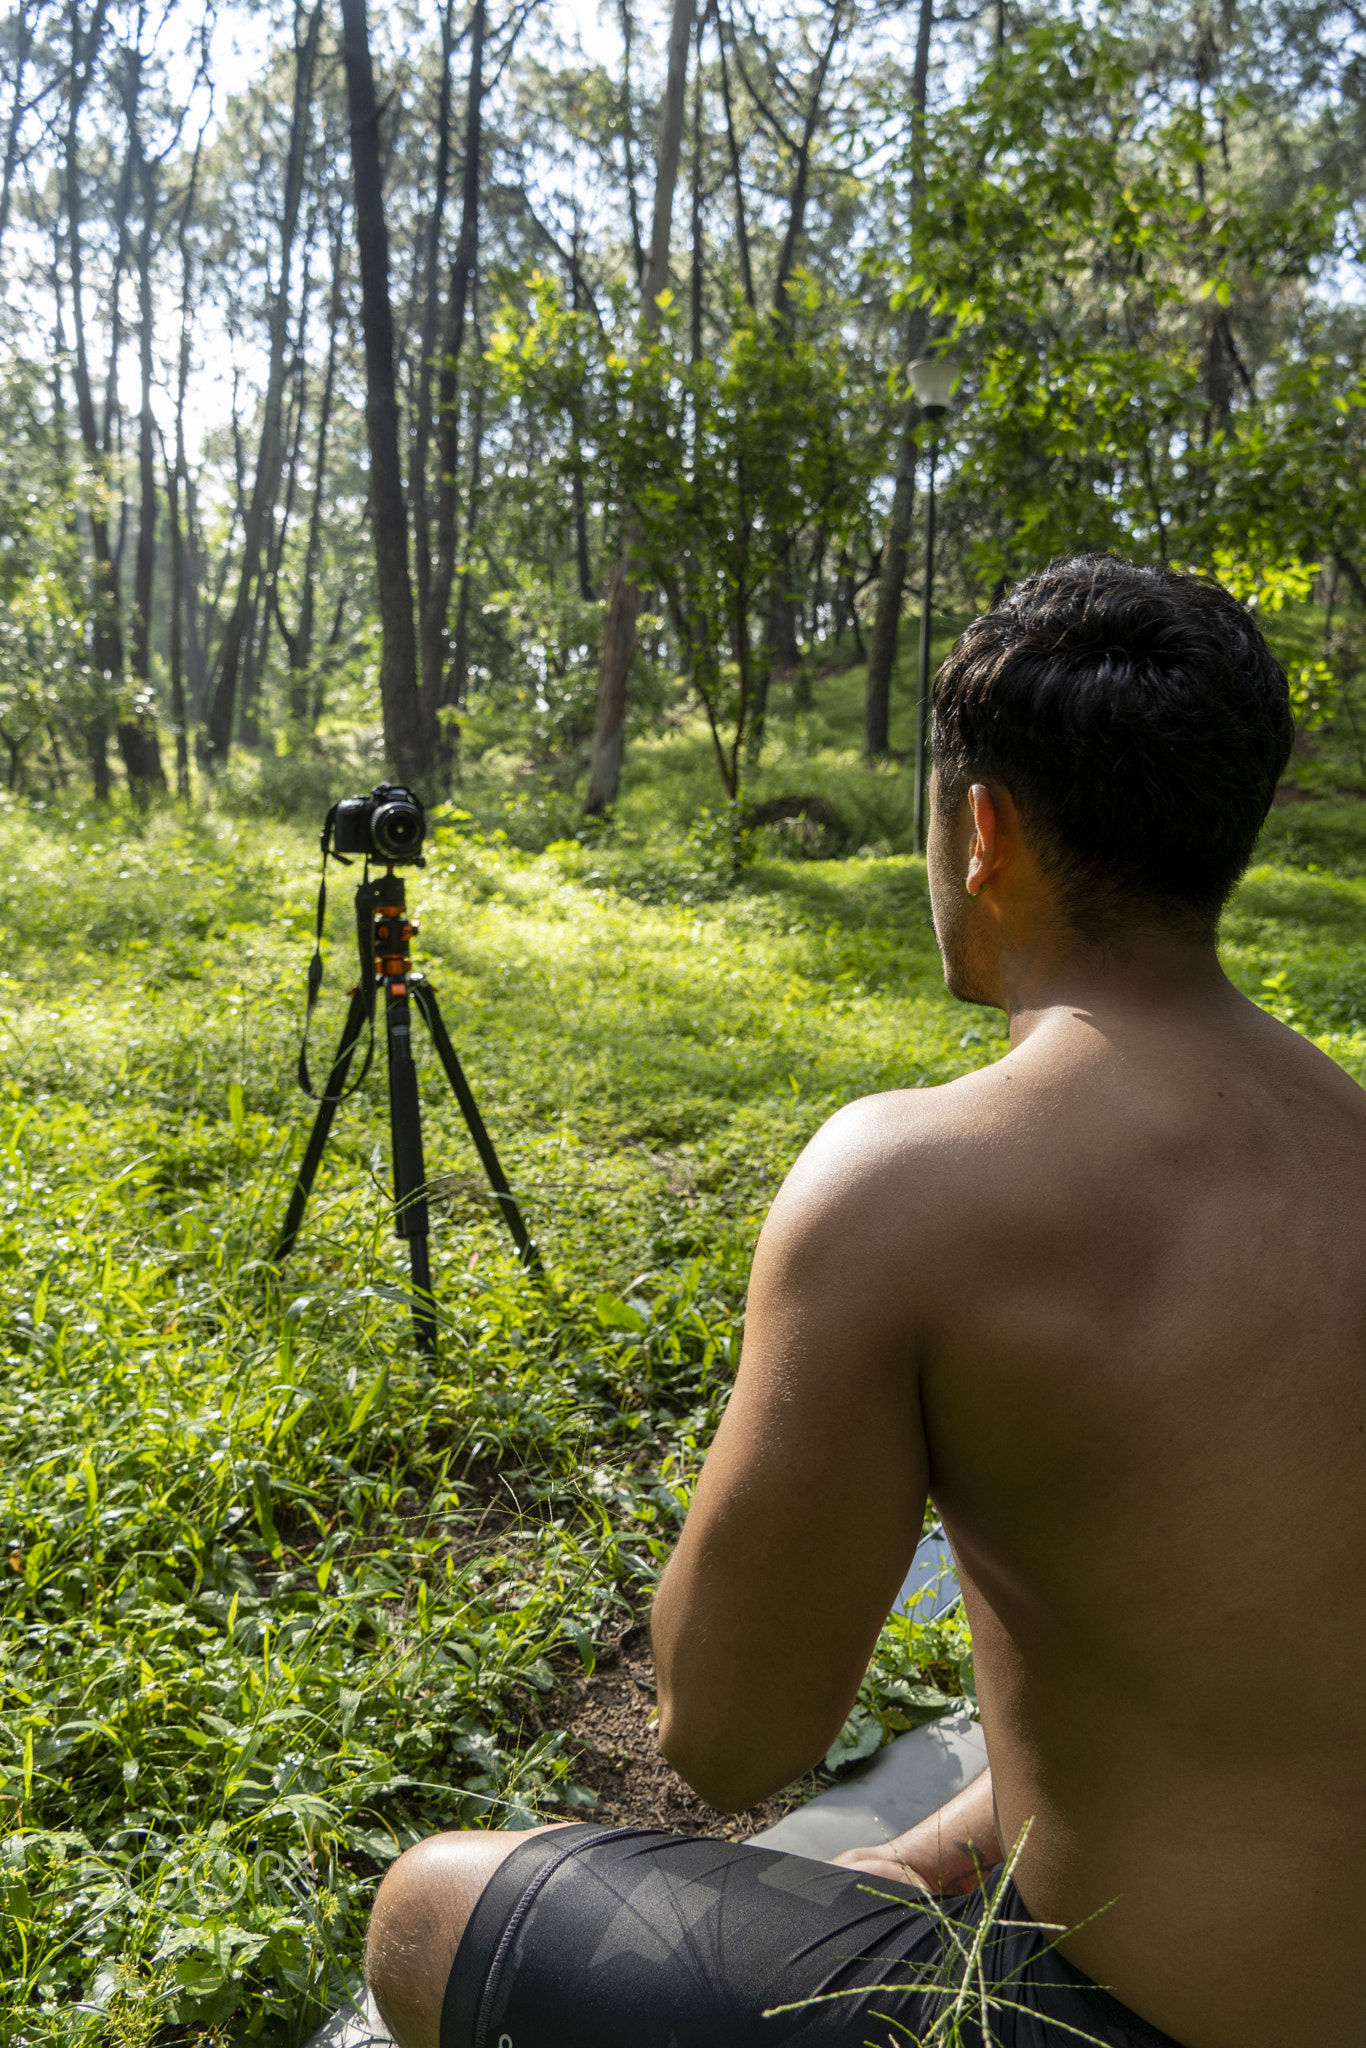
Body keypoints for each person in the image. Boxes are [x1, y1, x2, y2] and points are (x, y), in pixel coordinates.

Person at [365, 555, 1366, 2048]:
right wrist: (944, 1848)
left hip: (1140, 2024)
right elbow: (1239, 1655)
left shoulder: (911, 1181)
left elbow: (726, 1738)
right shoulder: (1344, 1129)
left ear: (983, 830)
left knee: (431, 1910)